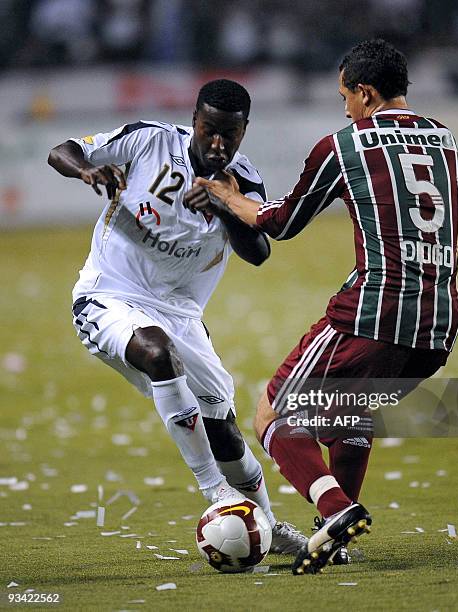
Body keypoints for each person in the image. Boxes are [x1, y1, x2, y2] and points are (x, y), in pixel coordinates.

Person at [193, 40, 458, 574]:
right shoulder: (445, 139)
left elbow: (282, 222)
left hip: (373, 311)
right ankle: (333, 538)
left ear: (365, 92)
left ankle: (336, 510)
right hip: (438, 320)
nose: (344, 108)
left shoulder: (345, 145)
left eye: (346, 96)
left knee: (273, 415)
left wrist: (228, 197)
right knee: (346, 415)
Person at [47, 78, 306, 555]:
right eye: (209, 129)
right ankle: (216, 492)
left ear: (244, 131)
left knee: (222, 428)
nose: (217, 143)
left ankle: (268, 525)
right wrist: (87, 171)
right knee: (157, 353)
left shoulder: (242, 182)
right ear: (194, 121)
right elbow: (60, 151)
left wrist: (226, 208)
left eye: (230, 134)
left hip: (182, 313)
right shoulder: (149, 141)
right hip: (109, 294)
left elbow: (260, 252)